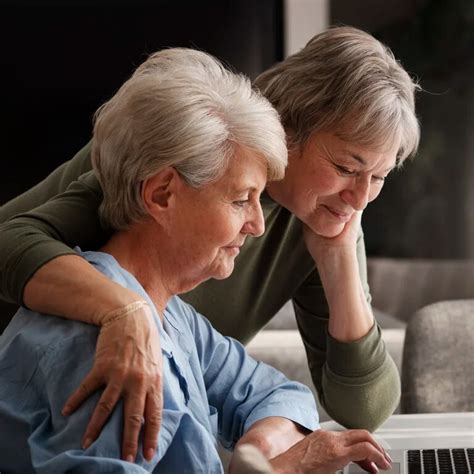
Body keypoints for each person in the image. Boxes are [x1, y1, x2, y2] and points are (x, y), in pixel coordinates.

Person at [0, 25, 420, 462]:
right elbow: (9, 244)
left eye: (380, 177)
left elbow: (360, 409)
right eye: (346, 167)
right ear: (292, 127)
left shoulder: (325, 216)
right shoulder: (182, 146)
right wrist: (125, 311)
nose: (360, 198)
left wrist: (339, 258)